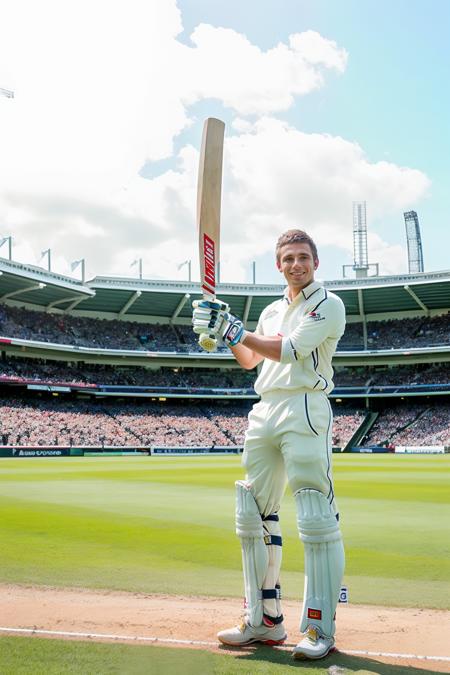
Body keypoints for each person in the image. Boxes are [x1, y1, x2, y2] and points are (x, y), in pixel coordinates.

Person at [192, 229, 346, 660]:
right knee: (253, 515)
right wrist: (221, 332)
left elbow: (291, 350)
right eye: (288, 258)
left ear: (316, 261)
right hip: (264, 410)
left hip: (305, 407)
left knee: (314, 513)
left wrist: (234, 328)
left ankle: (319, 626)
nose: (296, 264)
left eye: (303, 257)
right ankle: (263, 620)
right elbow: (250, 359)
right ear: (278, 264)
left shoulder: (327, 305)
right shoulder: (271, 309)